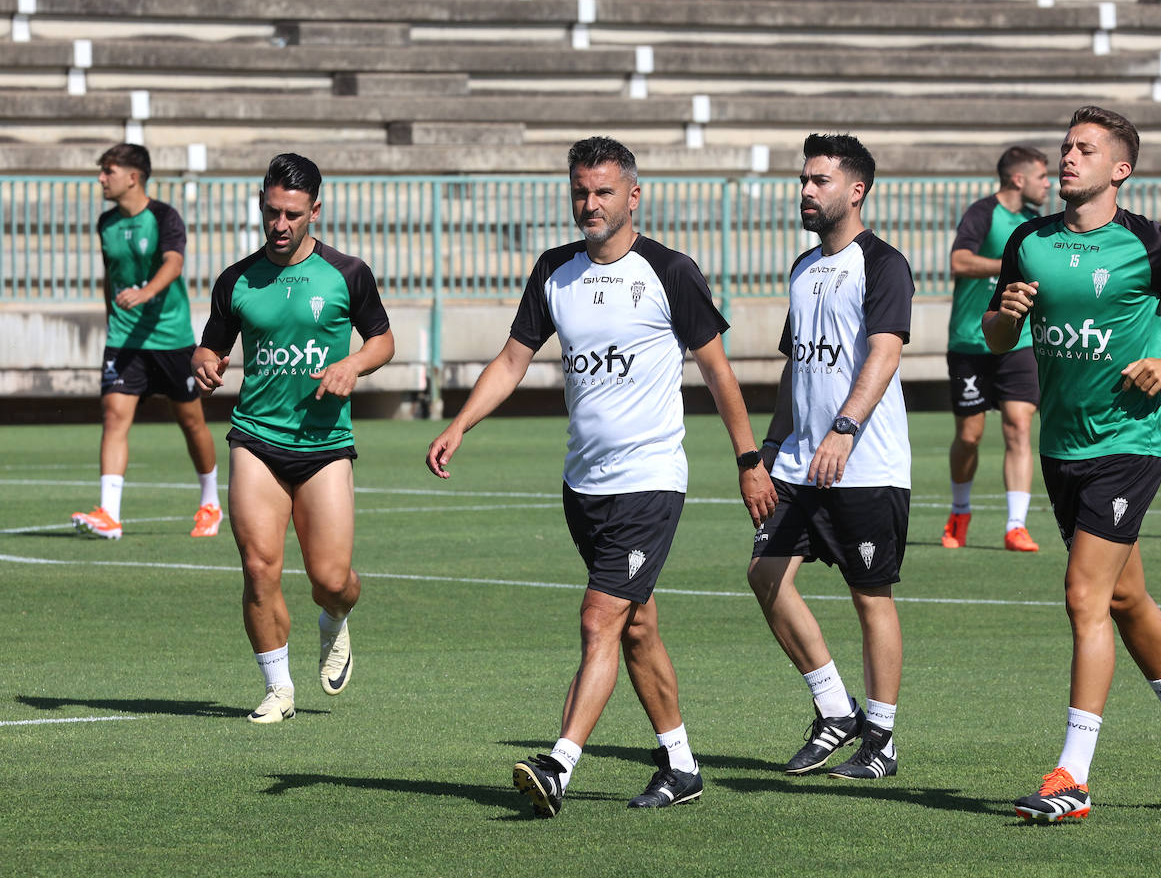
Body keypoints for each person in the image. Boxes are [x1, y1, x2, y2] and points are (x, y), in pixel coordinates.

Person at [426, 137, 775, 818]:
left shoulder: (670, 271)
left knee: (598, 618)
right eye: (581, 191)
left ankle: (560, 763)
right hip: (583, 485)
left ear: (633, 196)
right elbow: (510, 360)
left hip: (650, 480)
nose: (590, 203)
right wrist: (460, 423)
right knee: (635, 625)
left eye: (604, 191)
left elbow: (718, 370)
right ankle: (680, 764)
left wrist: (748, 460)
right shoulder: (555, 271)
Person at [983, 106, 1161, 822]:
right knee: (1125, 599)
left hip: (1127, 444)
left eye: (1084, 150)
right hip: (1063, 447)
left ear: (1119, 169)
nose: (1067, 158)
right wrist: (1007, 311)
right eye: (1065, 147)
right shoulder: (1030, 241)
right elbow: (999, 337)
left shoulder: (1151, 243)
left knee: (1083, 597)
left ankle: (1074, 775)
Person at [192, 153, 394, 725]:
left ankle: (335, 620)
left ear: (315, 211)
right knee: (259, 567)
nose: (280, 224)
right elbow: (212, 345)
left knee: (332, 580)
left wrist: (353, 365)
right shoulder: (236, 279)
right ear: (262, 204)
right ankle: (278, 688)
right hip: (256, 439)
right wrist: (205, 361)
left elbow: (382, 341)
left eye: (293, 214)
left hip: (326, 444)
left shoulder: (347, 273)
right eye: (272, 211)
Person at [748, 133, 914, 781]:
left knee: (869, 596)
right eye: (804, 179)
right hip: (798, 463)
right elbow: (797, 370)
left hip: (864, 463)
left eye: (820, 180)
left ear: (856, 189)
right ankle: (832, 708)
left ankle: (881, 736)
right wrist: (765, 450)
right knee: (765, 575)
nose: (807, 191)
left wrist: (845, 428)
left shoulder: (883, 264)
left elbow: (885, 352)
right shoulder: (802, 267)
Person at [71, 143, 220, 541]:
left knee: (191, 422)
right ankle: (109, 515)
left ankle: (210, 504)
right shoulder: (106, 223)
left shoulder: (164, 217)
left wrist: (147, 293)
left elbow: (174, 262)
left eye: (108, 171)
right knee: (114, 417)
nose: (101, 178)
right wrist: (111, 322)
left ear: (133, 176)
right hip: (124, 341)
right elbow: (111, 277)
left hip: (170, 338)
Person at [942, 146, 1050, 553]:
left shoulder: (1036, 223)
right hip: (970, 340)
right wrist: (1008, 265)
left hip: (1018, 340)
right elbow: (959, 261)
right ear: (1018, 179)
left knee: (1019, 426)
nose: (1048, 184)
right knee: (969, 436)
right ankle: (959, 510)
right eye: (1042, 176)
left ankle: (1016, 525)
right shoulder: (983, 213)